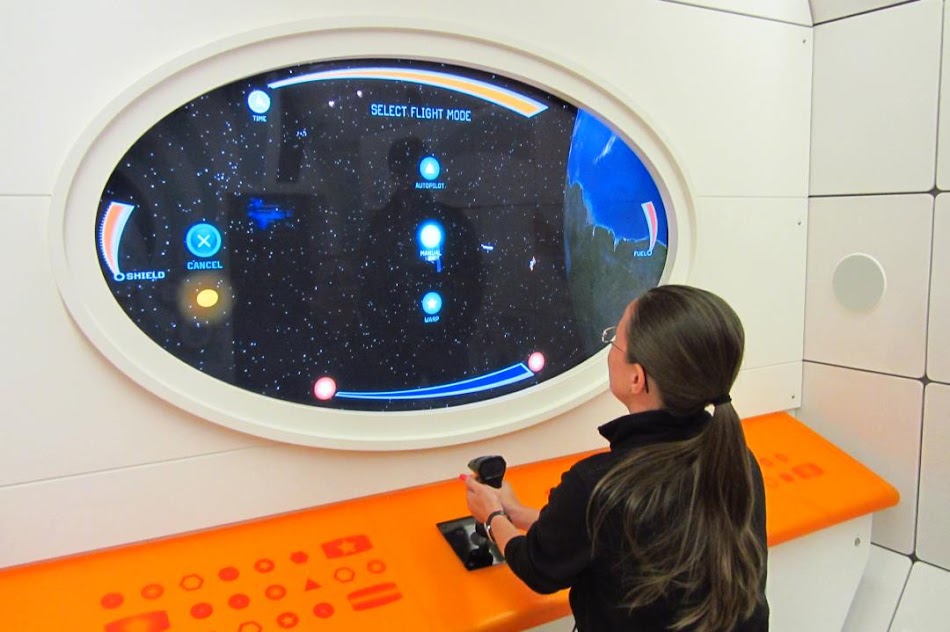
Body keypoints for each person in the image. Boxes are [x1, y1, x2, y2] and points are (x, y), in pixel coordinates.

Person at [463, 285, 769, 631]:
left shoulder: (598, 484)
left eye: (614, 340)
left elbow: (539, 568)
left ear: (637, 378)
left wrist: (492, 516)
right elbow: (616, 536)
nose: (609, 350)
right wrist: (518, 515)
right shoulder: (736, 460)